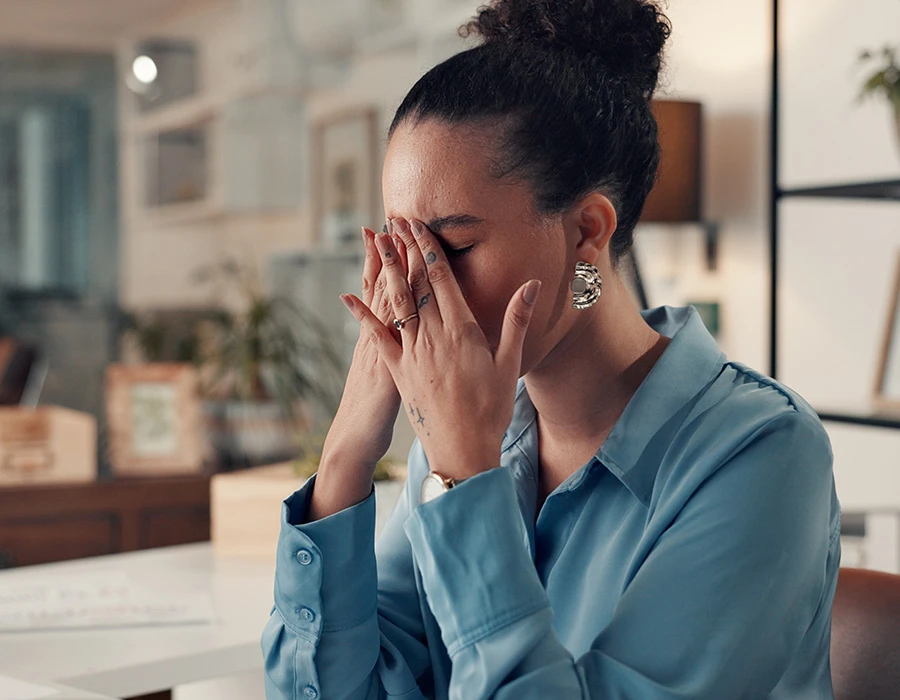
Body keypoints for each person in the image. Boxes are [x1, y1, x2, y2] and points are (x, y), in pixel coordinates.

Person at [261, 0, 841, 697]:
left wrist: (465, 481)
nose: (415, 285)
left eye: (452, 246)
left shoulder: (762, 453)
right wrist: (347, 451)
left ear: (587, 233)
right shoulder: (470, 431)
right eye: (400, 245)